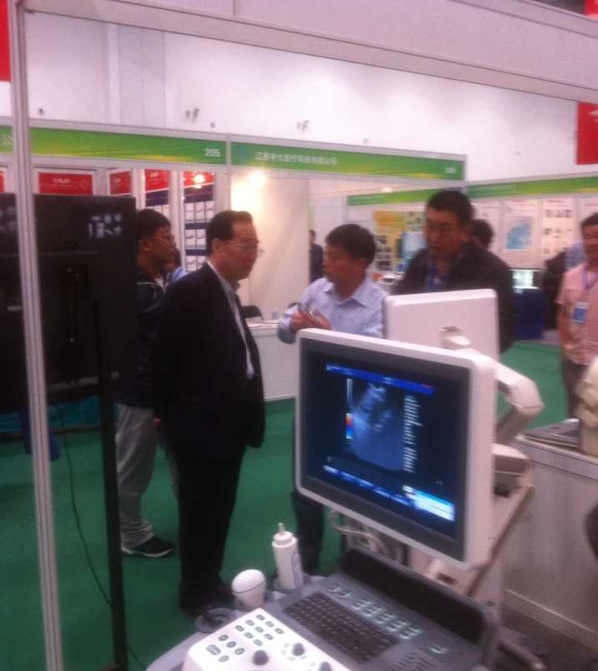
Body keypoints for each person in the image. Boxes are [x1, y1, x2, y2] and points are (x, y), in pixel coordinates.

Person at [153, 210, 265, 617]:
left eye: (256, 247)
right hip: (199, 428)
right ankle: (194, 592)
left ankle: (210, 579)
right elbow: (164, 359)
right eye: (245, 245)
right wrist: (165, 416)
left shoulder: (227, 291)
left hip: (228, 426)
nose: (252, 255)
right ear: (217, 246)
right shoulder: (191, 291)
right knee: (199, 513)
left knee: (219, 511)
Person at [277, 223, 387, 573]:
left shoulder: (380, 305)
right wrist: (292, 325)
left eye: (334, 256)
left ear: (360, 262)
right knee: (304, 486)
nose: (325, 262)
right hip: (312, 404)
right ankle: (306, 558)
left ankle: (350, 562)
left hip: (355, 412)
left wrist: (329, 335)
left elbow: (373, 359)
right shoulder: (317, 291)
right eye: (325, 254)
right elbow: (283, 328)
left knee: (352, 487)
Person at [115, 208, 176, 558]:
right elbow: (135, 349)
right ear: (145, 243)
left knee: (180, 460)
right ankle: (131, 535)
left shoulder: (162, 281)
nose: (173, 243)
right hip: (139, 396)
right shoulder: (130, 288)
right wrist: (151, 395)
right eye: (166, 237)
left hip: (167, 394)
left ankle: (192, 517)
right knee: (132, 470)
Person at [397, 189, 515, 352]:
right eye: (429, 226)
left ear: (465, 231)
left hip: (466, 360)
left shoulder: (492, 272)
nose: (434, 236)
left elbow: (503, 334)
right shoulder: (418, 263)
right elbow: (401, 310)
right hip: (419, 355)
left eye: (444, 229)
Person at [557, 213, 598, 417]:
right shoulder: (570, 276)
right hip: (574, 359)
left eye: (596, 236)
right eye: (587, 237)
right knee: (574, 415)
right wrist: (565, 347)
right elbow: (563, 313)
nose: (591, 242)